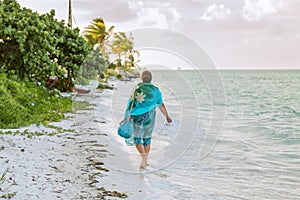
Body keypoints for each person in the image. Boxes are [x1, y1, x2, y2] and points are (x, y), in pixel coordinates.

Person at [123, 70, 172, 169]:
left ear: (142, 78)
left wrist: (128, 114)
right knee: (147, 139)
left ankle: (143, 158)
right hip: (150, 117)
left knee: (137, 138)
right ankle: (145, 160)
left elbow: (131, 102)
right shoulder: (156, 90)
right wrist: (167, 116)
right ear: (151, 79)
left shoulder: (137, 88)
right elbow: (161, 105)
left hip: (137, 116)